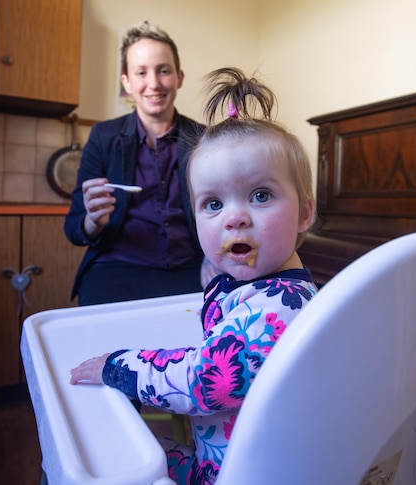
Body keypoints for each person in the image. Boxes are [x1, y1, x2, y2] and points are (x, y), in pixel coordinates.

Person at [70, 67, 318, 485]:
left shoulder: (277, 310)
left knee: (106, 463)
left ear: (304, 213)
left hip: (240, 474)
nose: (235, 217)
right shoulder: (264, 290)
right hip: (227, 453)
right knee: (114, 448)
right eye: (213, 204)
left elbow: (201, 381)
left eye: (260, 196)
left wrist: (117, 366)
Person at [64, 20, 208, 306]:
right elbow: (74, 228)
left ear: (179, 77)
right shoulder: (103, 137)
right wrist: (93, 221)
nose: (153, 84)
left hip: (191, 270)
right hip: (115, 269)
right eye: (141, 73)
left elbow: (221, 211)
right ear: (126, 82)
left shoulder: (204, 139)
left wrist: (215, 260)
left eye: (163, 71)